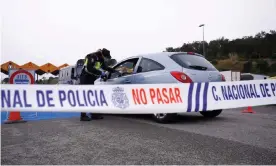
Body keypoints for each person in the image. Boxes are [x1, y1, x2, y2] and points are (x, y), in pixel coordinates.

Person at [79, 48, 117, 121]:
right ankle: (83, 116)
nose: (106, 59)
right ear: (103, 55)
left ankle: (94, 115)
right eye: (106, 57)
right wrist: (100, 73)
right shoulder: (91, 56)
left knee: (92, 95)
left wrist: (113, 70)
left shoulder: (101, 59)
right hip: (85, 77)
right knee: (85, 96)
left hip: (91, 77)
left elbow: (104, 67)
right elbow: (89, 68)